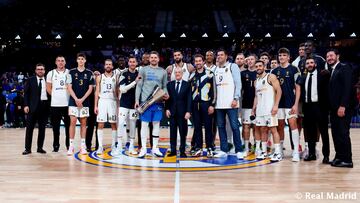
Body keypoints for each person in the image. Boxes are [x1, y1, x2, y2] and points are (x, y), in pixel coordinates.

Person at [135, 51, 169, 158]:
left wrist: (166, 94)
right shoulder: (143, 70)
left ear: (158, 59)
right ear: (149, 59)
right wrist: (137, 100)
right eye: (152, 57)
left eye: (155, 57)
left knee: (156, 125)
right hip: (145, 103)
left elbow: (164, 86)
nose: (153, 59)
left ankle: (155, 148)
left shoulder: (163, 72)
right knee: (144, 125)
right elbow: (139, 86)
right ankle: (144, 148)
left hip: (157, 102)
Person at [271, 48, 301, 162]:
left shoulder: (294, 69)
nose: (281, 57)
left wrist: (296, 104)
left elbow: (298, 88)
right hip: (278, 104)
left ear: (288, 57)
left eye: (284, 55)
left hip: (290, 102)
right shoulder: (274, 71)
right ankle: (281, 150)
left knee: (293, 125)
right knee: (280, 126)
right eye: (280, 55)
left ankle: (296, 152)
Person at [213, 49, 244, 159]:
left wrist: (236, 98)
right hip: (219, 104)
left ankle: (239, 149)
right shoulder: (216, 69)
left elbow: (238, 84)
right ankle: (223, 149)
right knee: (221, 127)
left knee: (235, 126)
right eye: (218, 55)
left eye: (221, 55)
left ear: (226, 56)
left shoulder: (233, 66)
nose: (219, 56)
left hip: (231, 103)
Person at [327, 49, 355, 168]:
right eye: (327, 56)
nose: (329, 58)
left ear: (338, 56)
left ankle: (347, 160)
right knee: (336, 133)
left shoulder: (344, 67)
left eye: (331, 55)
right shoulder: (332, 70)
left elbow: (347, 88)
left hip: (342, 108)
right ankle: (339, 157)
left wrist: (343, 105)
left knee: (343, 133)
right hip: (334, 109)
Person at [299, 57, 330, 162]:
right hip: (307, 107)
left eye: (311, 62)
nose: (310, 64)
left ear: (315, 64)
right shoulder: (303, 77)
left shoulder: (323, 75)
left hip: (320, 107)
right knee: (310, 132)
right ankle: (311, 154)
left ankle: (326, 156)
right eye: (307, 63)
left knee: (324, 132)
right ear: (305, 65)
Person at [252, 60, 283, 161]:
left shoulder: (271, 77)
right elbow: (256, 97)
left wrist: (276, 105)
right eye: (256, 66)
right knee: (263, 130)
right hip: (260, 110)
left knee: (274, 130)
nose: (258, 68)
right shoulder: (256, 81)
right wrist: (253, 109)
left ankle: (278, 153)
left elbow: (279, 91)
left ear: (264, 67)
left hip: (270, 109)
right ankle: (264, 152)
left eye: (260, 66)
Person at [66, 53, 95, 155]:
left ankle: (83, 146)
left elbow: (90, 89)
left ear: (85, 61)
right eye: (79, 59)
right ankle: (71, 146)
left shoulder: (90, 73)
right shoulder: (71, 72)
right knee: (72, 122)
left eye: (82, 59)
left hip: (84, 102)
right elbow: (69, 87)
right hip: (73, 101)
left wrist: (81, 100)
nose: (81, 61)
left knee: (83, 123)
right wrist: (76, 99)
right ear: (77, 60)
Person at [189, 54, 215, 157]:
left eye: (200, 61)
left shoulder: (210, 74)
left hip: (206, 104)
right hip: (195, 104)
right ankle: (198, 148)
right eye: (196, 61)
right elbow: (189, 92)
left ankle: (209, 147)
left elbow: (214, 91)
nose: (198, 63)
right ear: (194, 63)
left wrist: (212, 104)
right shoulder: (192, 75)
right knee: (197, 127)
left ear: (203, 62)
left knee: (208, 127)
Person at [22, 63, 49, 155]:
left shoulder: (48, 80)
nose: (40, 71)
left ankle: (40, 148)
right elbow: (26, 94)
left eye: (42, 69)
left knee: (42, 129)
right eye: (38, 69)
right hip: (32, 107)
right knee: (29, 129)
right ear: (35, 70)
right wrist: (26, 105)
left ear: (44, 71)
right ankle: (27, 149)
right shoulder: (30, 80)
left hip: (44, 107)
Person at [117, 56, 141, 155]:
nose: (132, 63)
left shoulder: (139, 74)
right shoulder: (123, 74)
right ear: (128, 63)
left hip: (134, 104)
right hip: (124, 103)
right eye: (130, 62)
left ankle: (131, 146)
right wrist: (134, 82)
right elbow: (122, 89)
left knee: (132, 125)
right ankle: (119, 146)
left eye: (133, 62)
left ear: (136, 63)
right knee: (121, 123)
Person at [166, 67, 192, 157]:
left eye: (179, 72)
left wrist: (188, 111)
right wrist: (167, 109)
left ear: (182, 73)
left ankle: (182, 151)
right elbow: (167, 99)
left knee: (182, 133)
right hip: (172, 112)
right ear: (174, 73)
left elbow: (189, 99)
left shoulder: (187, 85)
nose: (177, 74)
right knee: (172, 133)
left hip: (183, 113)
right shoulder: (169, 84)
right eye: (176, 72)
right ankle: (173, 150)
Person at [46, 55, 70, 152]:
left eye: (62, 61)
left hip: (67, 104)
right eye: (59, 61)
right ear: (56, 62)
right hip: (55, 105)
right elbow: (48, 88)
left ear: (65, 62)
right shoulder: (50, 73)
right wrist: (55, 95)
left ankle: (69, 146)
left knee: (68, 127)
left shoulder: (69, 72)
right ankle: (56, 146)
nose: (60, 62)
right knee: (56, 128)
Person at [94, 59, 118, 155]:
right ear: (104, 66)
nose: (108, 66)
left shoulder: (116, 77)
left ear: (112, 66)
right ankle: (100, 146)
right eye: (106, 64)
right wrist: (95, 105)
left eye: (110, 64)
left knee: (113, 124)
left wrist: (118, 105)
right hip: (102, 101)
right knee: (100, 124)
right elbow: (96, 92)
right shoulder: (99, 77)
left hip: (112, 101)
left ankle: (113, 146)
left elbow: (118, 92)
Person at [241, 54, 257, 157]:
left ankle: (257, 146)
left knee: (257, 127)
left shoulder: (260, 72)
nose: (250, 61)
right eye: (249, 59)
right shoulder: (242, 73)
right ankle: (246, 148)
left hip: (258, 104)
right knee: (246, 126)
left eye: (252, 59)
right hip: (245, 104)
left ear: (256, 61)